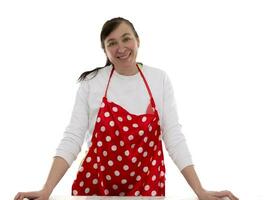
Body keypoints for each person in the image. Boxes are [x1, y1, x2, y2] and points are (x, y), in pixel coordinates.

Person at [14, 17, 239, 200]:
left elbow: (173, 137)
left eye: (126, 39)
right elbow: (73, 137)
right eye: (112, 43)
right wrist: (46, 191)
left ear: (137, 41)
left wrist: (200, 191)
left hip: (147, 189)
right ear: (104, 50)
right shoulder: (92, 82)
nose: (121, 48)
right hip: (95, 189)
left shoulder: (159, 79)